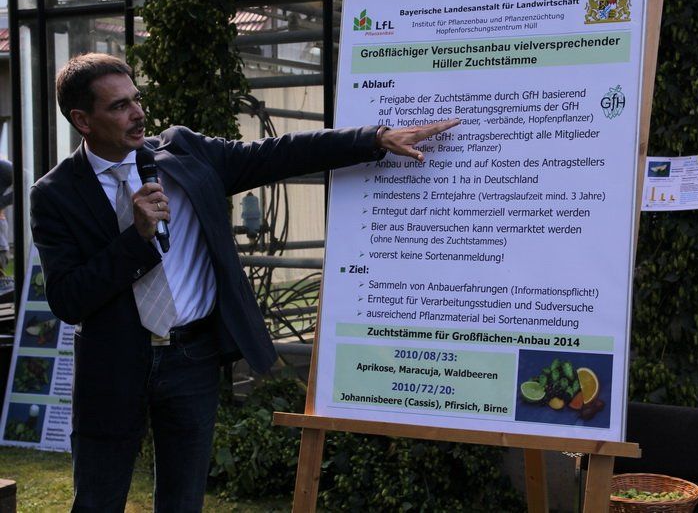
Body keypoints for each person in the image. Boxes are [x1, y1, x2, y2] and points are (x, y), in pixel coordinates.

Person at [30, 52, 459, 512]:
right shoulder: (55, 194)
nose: (138, 113)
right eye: (119, 106)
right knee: (97, 501)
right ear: (82, 119)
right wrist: (135, 239)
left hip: (192, 358)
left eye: (137, 99)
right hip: (112, 364)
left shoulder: (182, 152)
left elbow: (279, 153)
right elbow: (68, 300)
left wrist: (374, 138)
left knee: (183, 502)